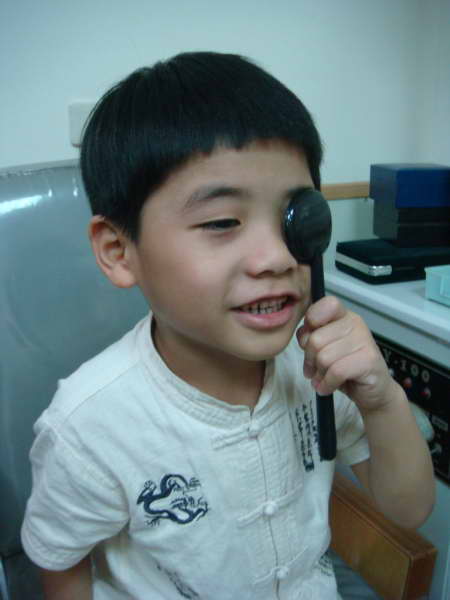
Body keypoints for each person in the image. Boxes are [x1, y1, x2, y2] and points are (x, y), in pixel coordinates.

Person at [21, 51, 435, 600]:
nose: (276, 257)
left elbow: (409, 510)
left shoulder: (317, 365)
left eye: (292, 218)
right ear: (119, 251)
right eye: (221, 222)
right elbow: (62, 562)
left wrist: (381, 399)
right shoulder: (89, 426)